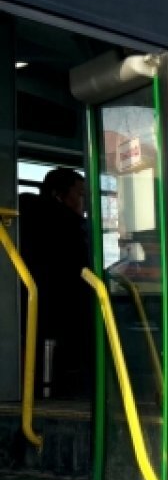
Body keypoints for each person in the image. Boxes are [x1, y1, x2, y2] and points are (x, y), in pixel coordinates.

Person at [18, 167, 92, 398]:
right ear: (59, 194)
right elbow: (80, 268)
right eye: (80, 195)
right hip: (61, 310)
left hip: (29, 307)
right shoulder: (68, 225)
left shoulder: (24, 215)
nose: (85, 203)